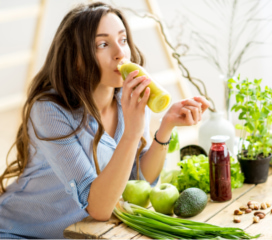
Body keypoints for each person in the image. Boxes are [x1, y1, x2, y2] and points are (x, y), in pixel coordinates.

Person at [0, 2, 210, 239]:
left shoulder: (127, 99)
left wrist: (166, 126)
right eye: (103, 44)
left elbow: (137, 180)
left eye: (122, 40)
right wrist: (132, 132)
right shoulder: (49, 111)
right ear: (77, 58)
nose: (120, 53)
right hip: (20, 232)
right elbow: (99, 208)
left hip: (81, 233)